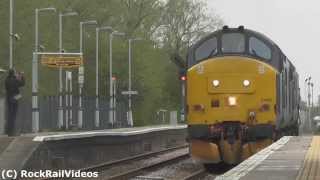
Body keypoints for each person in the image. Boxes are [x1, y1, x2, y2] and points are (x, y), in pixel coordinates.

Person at [5, 69, 25, 136]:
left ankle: (9, 132)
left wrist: (16, 76)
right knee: (13, 115)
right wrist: (21, 76)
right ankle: (13, 132)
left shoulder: (6, 80)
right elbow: (22, 84)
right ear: (13, 73)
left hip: (9, 98)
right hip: (15, 98)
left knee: (10, 115)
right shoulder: (15, 80)